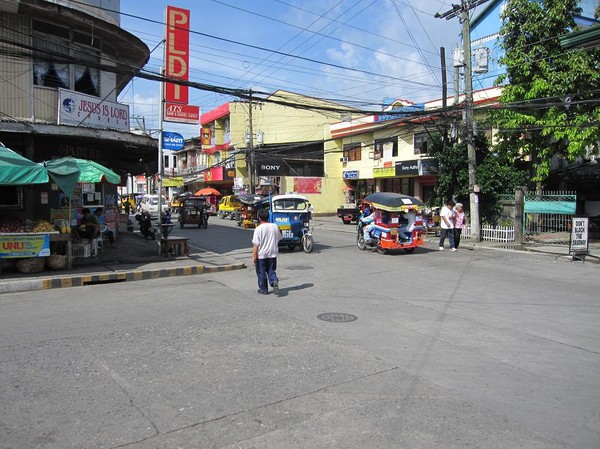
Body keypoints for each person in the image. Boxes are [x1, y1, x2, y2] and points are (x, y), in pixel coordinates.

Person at [252, 208, 282, 296]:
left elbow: (256, 244)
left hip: (261, 255)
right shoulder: (275, 226)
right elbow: (279, 238)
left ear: (259, 218)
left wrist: (253, 256)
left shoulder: (258, 229)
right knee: (271, 270)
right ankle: (274, 281)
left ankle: (264, 289)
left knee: (261, 272)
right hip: (272, 253)